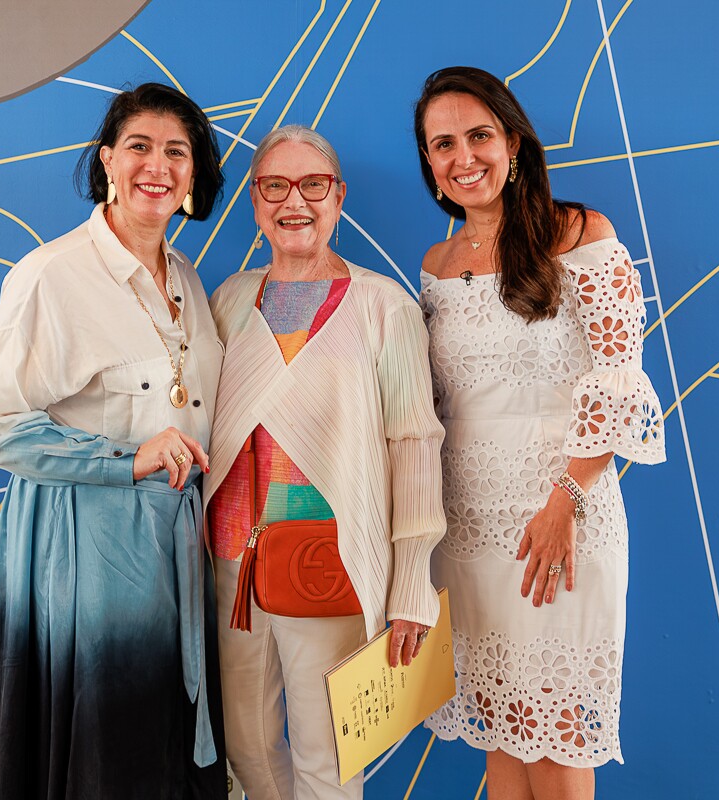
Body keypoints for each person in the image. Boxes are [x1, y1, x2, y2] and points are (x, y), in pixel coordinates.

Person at [0, 83, 227, 800]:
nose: (158, 165)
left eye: (178, 151)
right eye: (139, 146)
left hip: (177, 563)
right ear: (107, 160)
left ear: (194, 174)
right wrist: (124, 459)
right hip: (84, 566)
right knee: (102, 764)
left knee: (166, 757)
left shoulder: (192, 282)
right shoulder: (53, 275)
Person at [414, 67, 666, 799]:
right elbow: (438, 404)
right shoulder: (434, 267)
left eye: (480, 136)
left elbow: (618, 381)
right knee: (499, 737)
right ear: (429, 163)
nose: (464, 157)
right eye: (443, 144)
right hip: (467, 532)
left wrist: (564, 502)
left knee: (556, 744)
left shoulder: (582, 232)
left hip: (560, 521)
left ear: (514, 142)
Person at [204, 124, 447, 800]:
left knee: (328, 761)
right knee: (245, 750)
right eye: (275, 186)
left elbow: (414, 443)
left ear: (338, 196)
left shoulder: (383, 307)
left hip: (326, 566)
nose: (295, 202)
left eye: (313, 185)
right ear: (255, 202)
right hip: (231, 571)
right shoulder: (228, 300)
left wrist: (411, 586)